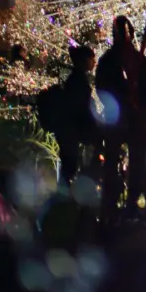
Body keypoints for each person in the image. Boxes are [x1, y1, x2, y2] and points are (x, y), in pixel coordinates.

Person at [95, 16, 146, 225]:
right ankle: (111, 203)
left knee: (137, 161)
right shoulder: (109, 61)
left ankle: (130, 203)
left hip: (133, 115)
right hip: (118, 116)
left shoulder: (138, 60)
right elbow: (102, 87)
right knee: (113, 160)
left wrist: (138, 105)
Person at [55, 45, 98, 186]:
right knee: (70, 164)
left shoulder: (76, 78)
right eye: (92, 59)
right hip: (71, 129)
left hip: (69, 129)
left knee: (70, 164)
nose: (94, 62)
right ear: (84, 60)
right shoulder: (78, 80)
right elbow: (81, 106)